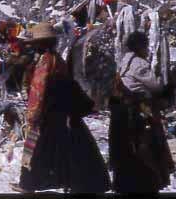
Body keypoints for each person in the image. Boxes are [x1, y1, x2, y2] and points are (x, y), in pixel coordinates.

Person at [11, 22, 110, 193]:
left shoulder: (45, 63)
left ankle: (29, 184)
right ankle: (62, 181)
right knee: (65, 148)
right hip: (60, 113)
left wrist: (34, 114)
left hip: (49, 113)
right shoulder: (56, 60)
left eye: (34, 43)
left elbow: (40, 90)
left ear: (41, 43)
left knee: (38, 150)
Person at [109, 31, 175, 193]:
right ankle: (148, 180)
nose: (147, 50)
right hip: (139, 110)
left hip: (123, 111)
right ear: (140, 46)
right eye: (145, 46)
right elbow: (155, 86)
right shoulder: (140, 63)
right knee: (147, 146)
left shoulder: (124, 60)